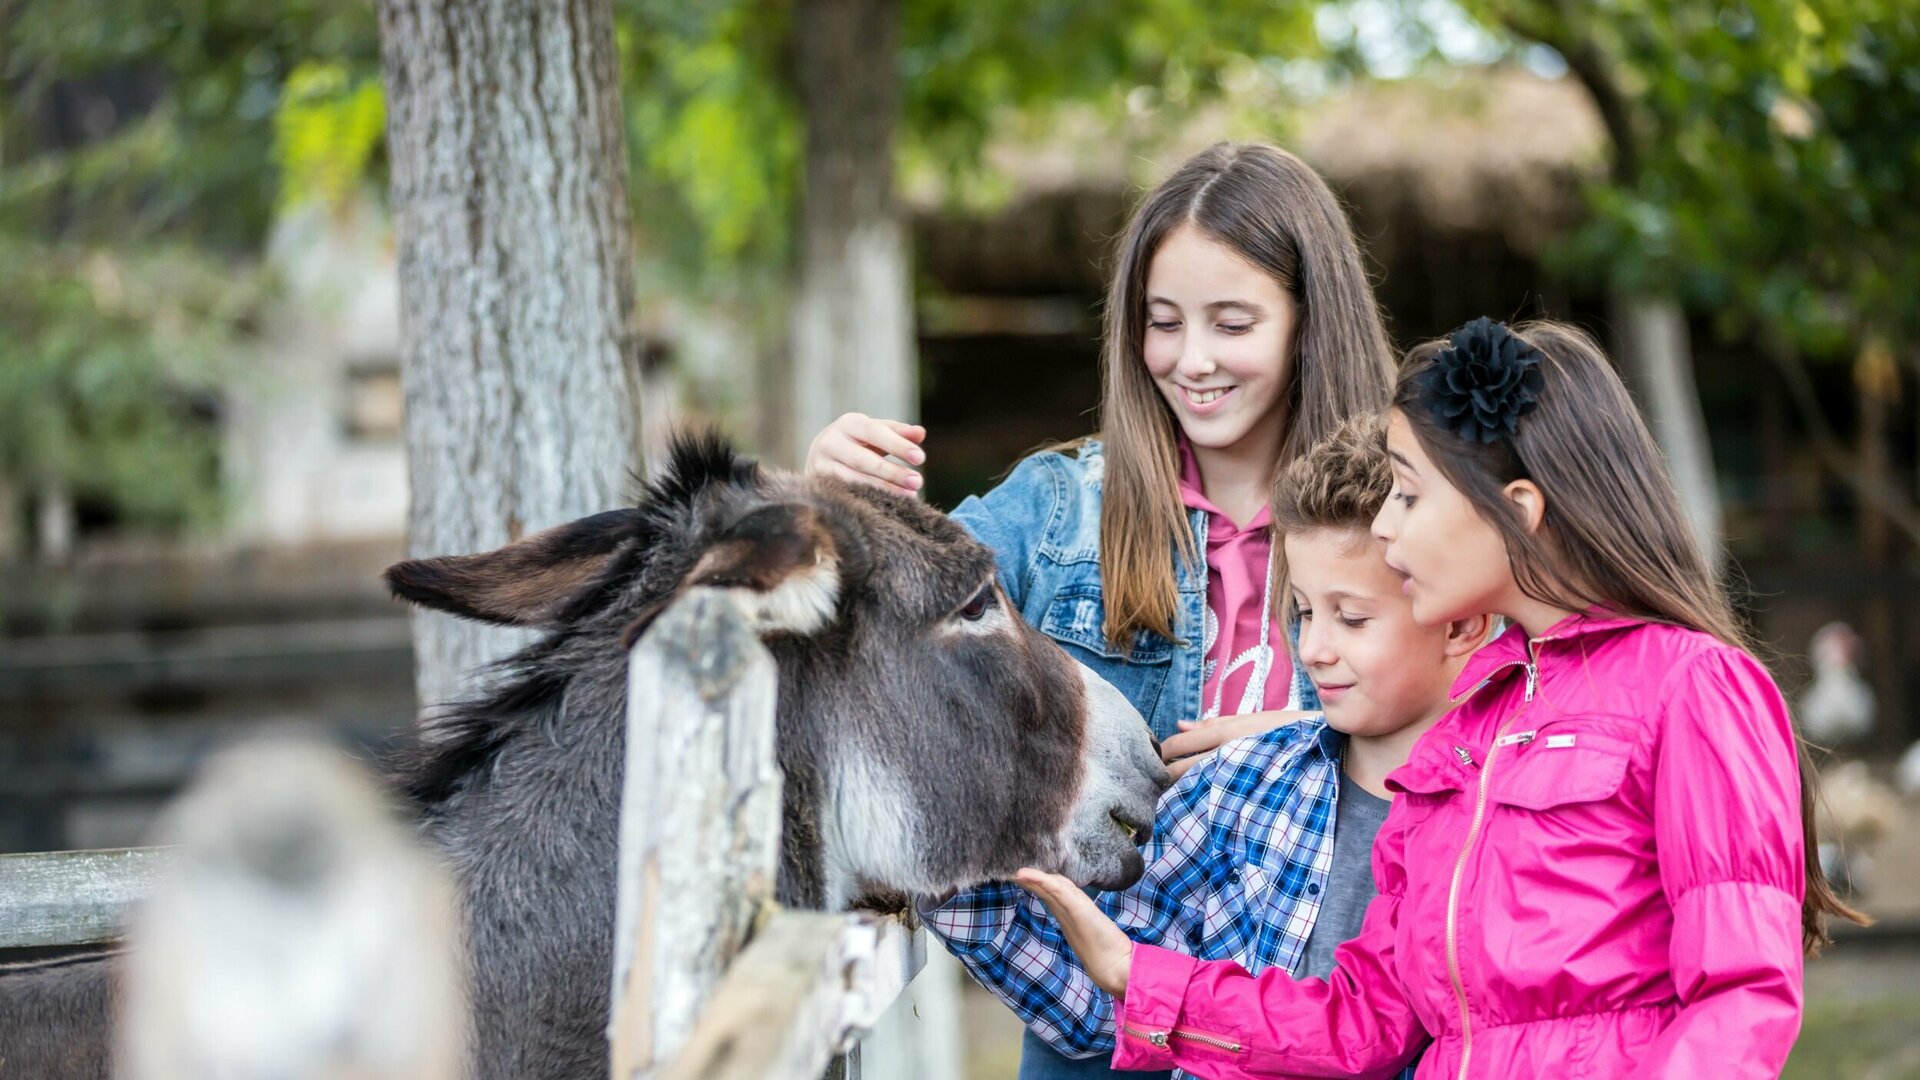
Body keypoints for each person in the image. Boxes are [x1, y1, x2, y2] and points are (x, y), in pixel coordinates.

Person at [1017, 318, 1869, 1079]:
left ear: (1519, 510)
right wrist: (1140, 977)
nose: (1384, 528)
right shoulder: (1464, 733)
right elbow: (1363, 1020)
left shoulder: (1692, 687)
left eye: (1409, 495)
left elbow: (1740, 1003)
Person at [807, 142, 1396, 1078]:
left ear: (1309, 321)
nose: (1191, 360)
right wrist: (827, 506)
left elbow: (1506, 719)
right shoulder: (1054, 513)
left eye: (1232, 323)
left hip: (1344, 1041)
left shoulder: (1406, 516)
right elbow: (872, 634)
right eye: (1163, 324)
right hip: (1103, 1050)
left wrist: (1318, 738)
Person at [925, 414, 1484, 1080]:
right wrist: (942, 866)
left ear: (1459, 623)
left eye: (1353, 618)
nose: (1314, 650)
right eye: (1303, 613)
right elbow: (1098, 1007)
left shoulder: (1513, 804)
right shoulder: (1241, 787)